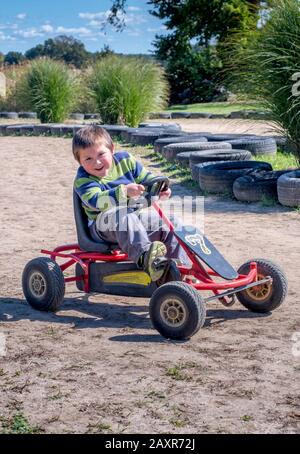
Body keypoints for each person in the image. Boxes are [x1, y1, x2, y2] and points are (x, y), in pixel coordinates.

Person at [73, 125, 189, 281]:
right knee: (123, 215)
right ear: (79, 161)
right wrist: (124, 192)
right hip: (102, 227)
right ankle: (146, 259)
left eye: (101, 154)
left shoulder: (125, 161)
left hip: (133, 220)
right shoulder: (84, 179)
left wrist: (159, 189)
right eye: (88, 159)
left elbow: (146, 178)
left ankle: (178, 269)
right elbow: (96, 201)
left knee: (171, 223)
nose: (97, 162)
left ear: (112, 149)